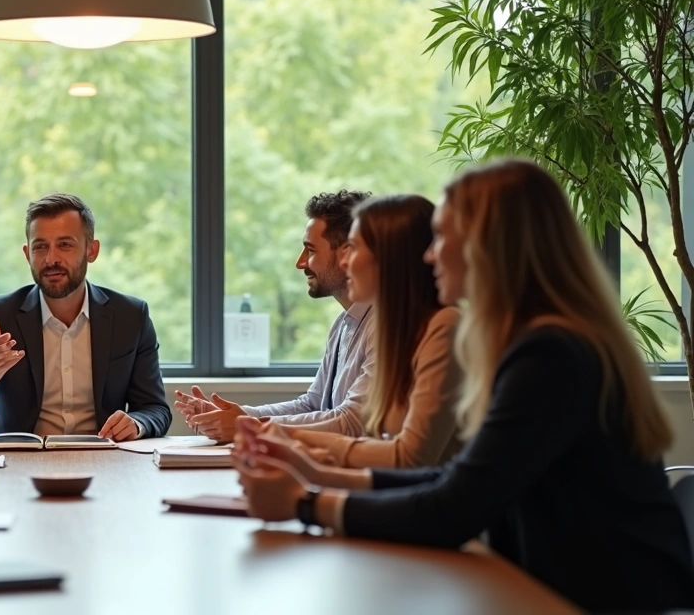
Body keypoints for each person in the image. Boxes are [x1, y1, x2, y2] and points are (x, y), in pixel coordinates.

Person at [234, 159, 694, 612]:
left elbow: (453, 508)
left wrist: (306, 503)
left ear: (490, 245)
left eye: (442, 237)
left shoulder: (550, 356)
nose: (429, 254)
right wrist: (317, 475)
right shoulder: (536, 341)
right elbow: (463, 477)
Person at [0, 193, 170, 441]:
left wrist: (136, 424)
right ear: (27, 253)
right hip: (19, 462)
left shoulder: (131, 316)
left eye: (65, 245)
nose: (51, 259)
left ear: (91, 250)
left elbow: (155, 409)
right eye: (40, 247)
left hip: (104, 459)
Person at [176, 190, 374, 442]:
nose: (300, 263)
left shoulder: (383, 328)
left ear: (347, 254)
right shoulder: (343, 324)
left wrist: (248, 426)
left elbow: (351, 422)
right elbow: (313, 404)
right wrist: (240, 416)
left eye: (310, 251)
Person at [281, 195, 463, 468]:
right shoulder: (397, 329)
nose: (344, 263)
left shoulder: (442, 326)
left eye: (352, 248)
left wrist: (279, 435)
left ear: (388, 258)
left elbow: (407, 459)